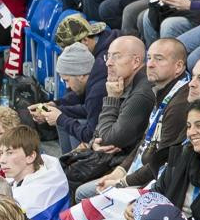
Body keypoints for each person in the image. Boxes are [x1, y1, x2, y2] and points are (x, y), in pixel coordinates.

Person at [86, 38, 189, 198]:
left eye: (159, 59)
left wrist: (122, 181)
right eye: (150, 58)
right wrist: (120, 171)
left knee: (81, 191)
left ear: (179, 67)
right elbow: (145, 141)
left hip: (154, 185)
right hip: (132, 167)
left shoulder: (174, 103)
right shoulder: (160, 90)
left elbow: (160, 161)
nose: (150, 64)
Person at [60, 35, 156, 195]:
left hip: (128, 163)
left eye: (116, 56)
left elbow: (110, 139)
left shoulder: (142, 93)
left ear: (136, 62)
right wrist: (94, 143)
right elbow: (100, 133)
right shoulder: (121, 82)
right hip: (116, 156)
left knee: (79, 188)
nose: (108, 62)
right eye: (108, 56)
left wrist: (112, 99)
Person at [47, 16, 118, 151]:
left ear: (85, 40)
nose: (71, 53)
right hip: (101, 116)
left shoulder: (101, 71)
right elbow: (87, 103)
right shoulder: (90, 68)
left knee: (68, 123)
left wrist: (61, 116)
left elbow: (90, 133)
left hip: (108, 134)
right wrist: (58, 105)